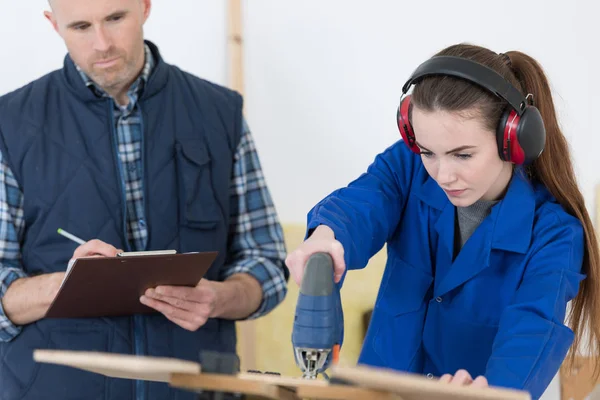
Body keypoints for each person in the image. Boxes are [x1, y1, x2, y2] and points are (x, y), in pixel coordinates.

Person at [0, 0, 288, 399]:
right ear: (53, 25)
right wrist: (66, 286)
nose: (102, 43)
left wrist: (221, 298)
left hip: (197, 388)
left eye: (115, 18)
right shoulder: (10, 123)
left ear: (145, 7)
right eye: (81, 27)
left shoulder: (221, 112)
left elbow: (268, 263)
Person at [285, 43, 600, 400]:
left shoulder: (554, 237)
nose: (443, 174)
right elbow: (359, 205)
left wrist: (487, 395)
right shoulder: (407, 169)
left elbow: (529, 335)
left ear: (512, 141)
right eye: (428, 152)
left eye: (462, 155)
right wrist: (325, 238)